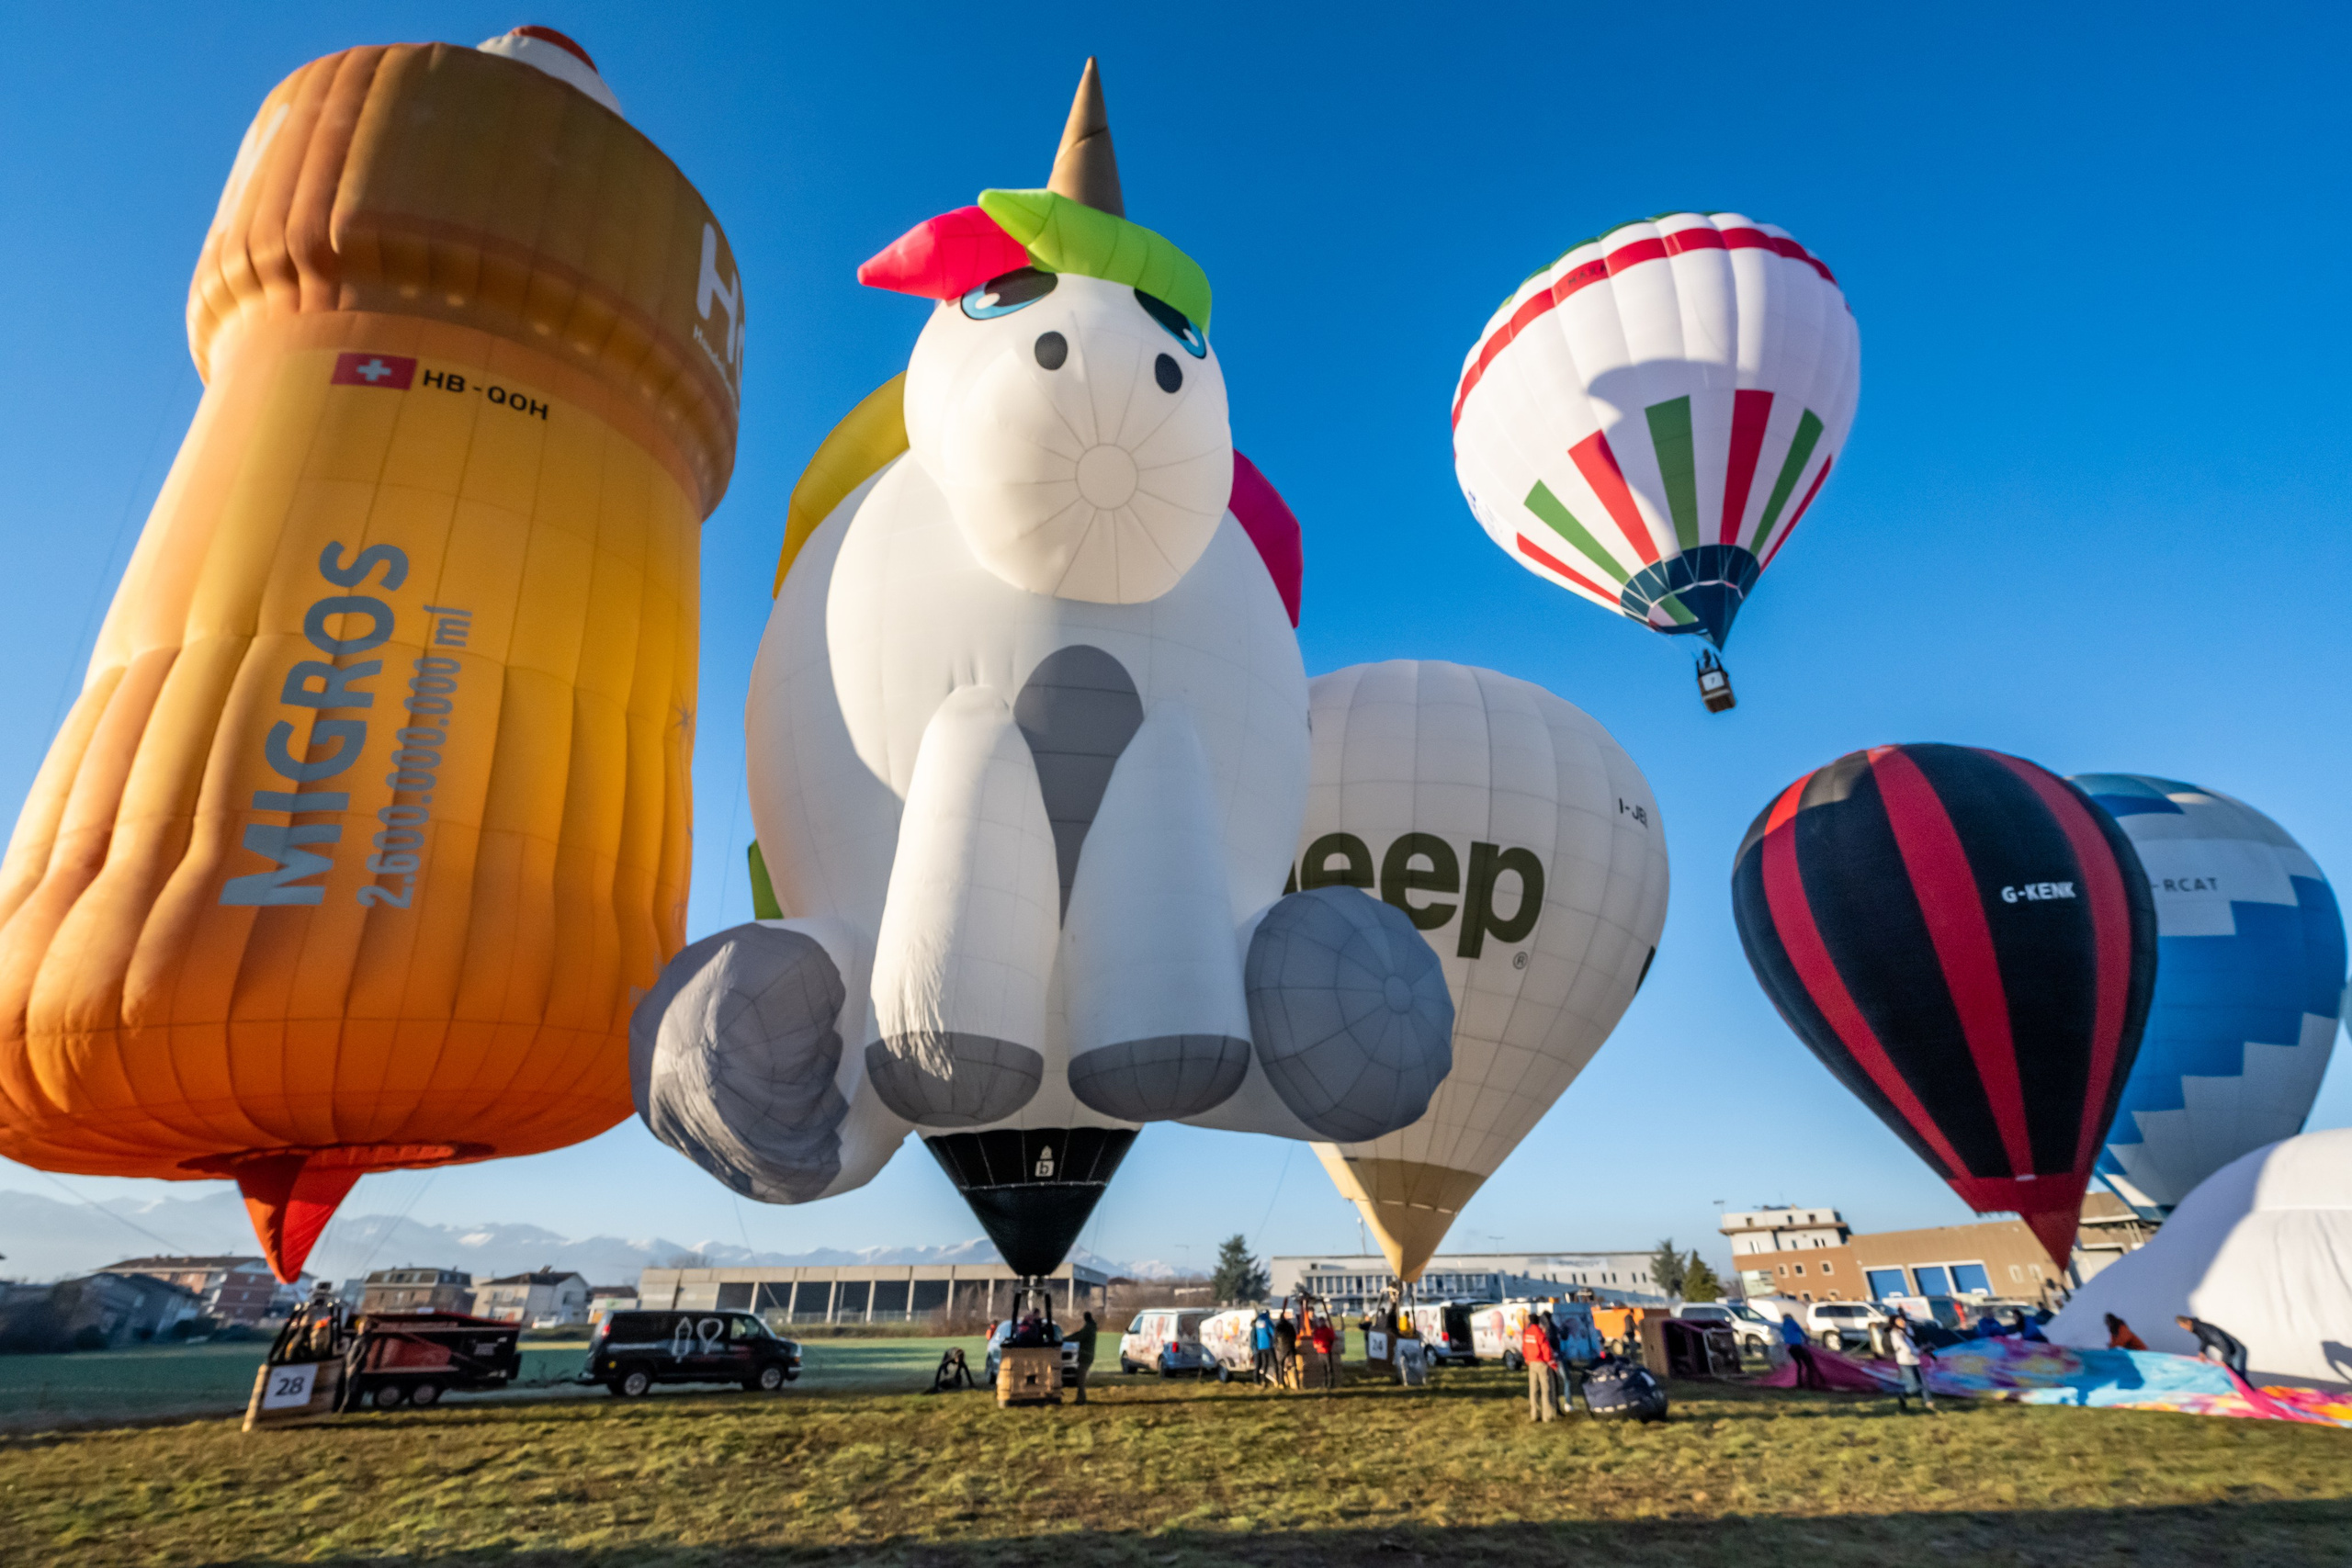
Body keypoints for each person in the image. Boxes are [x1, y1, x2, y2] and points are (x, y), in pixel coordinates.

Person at [1888, 1310, 1936, 1416]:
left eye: (1902, 1320)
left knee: (1924, 1383)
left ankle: (1929, 1404)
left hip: (1915, 1360)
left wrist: (1923, 1347)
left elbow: (1914, 1342)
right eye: (1899, 1321)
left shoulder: (1909, 1330)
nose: (1902, 1322)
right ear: (1894, 1323)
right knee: (1913, 1387)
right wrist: (1920, 1351)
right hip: (1905, 1362)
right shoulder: (1895, 1334)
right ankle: (1902, 1397)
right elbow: (1906, 1349)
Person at [2177, 1314, 2249, 1376]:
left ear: (2189, 1322)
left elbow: (2223, 1342)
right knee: (2232, 1378)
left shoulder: (2203, 1328)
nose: (2186, 1329)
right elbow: (2204, 1339)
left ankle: (2250, 1392)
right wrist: (2202, 1351)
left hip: (2237, 1351)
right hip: (2232, 1352)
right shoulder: (2199, 1329)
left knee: (2239, 1379)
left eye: (2184, 1326)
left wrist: (2224, 1360)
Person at [1521, 1308, 1558, 1422]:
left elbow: (1524, 1349)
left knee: (1533, 1390)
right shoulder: (1540, 1334)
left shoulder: (1527, 1334)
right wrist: (1552, 1364)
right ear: (1538, 1322)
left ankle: (1534, 1414)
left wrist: (1527, 1359)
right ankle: (1547, 1416)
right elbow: (1546, 1350)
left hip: (1531, 1364)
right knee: (1545, 1389)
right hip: (1542, 1364)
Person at [1070, 1311, 1097, 1405]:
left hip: (1085, 1357)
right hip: (1087, 1356)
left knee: (1080, 1379)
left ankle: (1081, 1400)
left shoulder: (1089, 1328)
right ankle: (1080, 1399)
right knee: (1080, 1378)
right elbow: (1080, 1334)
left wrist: (1065, 1339)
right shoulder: (1091, 1327)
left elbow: (1079, 1336)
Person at [1308, 1313, 1339, 1391]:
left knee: (1329, 1368)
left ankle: (1331, 1383)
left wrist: (1324, 1344)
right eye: (1319, 1322)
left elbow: (1331, 1339)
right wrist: (1316, 1345)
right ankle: (1324, 1382)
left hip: (1326, 1351)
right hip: (1320, 1352)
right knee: (1323, 1368)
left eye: (1322, 1322)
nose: (1320, 1323)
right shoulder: (1317, 1331)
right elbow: (1315, 1340)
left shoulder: (1328, 1330)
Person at [1273, 1310, 1298, 1388]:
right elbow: (1294, 1336)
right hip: (1290, 1347)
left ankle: (1281, 1383)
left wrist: (1277, 1346)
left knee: (1281, 1366)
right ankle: (1297, 1383)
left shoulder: (1278, 1327)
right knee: (1294, 1366)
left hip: (1281, 1349)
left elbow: (1275, 1338)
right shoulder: (1290, 1325)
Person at [1251, 1307, 1276, 1386]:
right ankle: (1277, 1379)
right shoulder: (1267, 1321)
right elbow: (1273, 1332)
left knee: (1262, 1364)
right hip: (1268, 1345)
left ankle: (1260, 1380)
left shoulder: (1258, 1322)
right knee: (1274, 1363)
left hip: (1260, 1347)